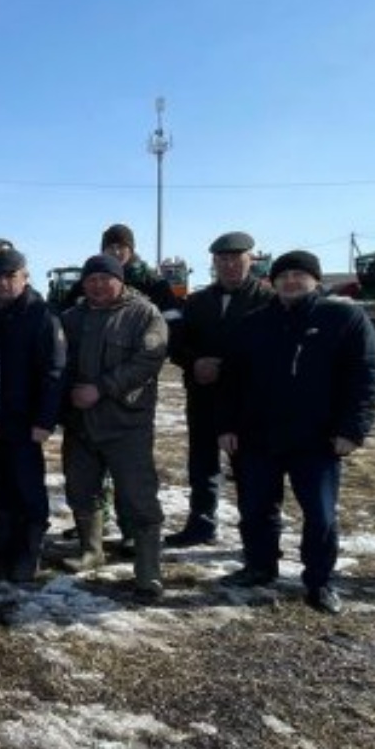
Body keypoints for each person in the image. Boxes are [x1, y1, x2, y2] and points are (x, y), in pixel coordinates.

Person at [217, 250, 375, 615]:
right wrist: (226, 425)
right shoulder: (254, 323)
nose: (291, 281)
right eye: (283, 276)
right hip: (258, 436)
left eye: (299, 275)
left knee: (320, 514)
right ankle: (260, 566)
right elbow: (231, 380)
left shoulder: (343, 318)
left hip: (318, 438)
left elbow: (365, 376)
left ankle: (320, 581)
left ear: (315, 280)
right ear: (272, 282)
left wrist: (352, 429)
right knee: (256, 508)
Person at [59, 254, 169, 602]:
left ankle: (148, 572)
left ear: (120, 281)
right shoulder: (71, 318)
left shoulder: (144, 314)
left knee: (138, 495)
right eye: (91, 280)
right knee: (81, 488)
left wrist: (102, 388)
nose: (97, 285)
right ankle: (91, 550)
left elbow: (149, 360)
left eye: (105, 279)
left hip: (126, 424)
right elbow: (57, 364)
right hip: (81, 424)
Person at [164, 231, 275, 547]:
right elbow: (177, 343)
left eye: (236, 259)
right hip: (203, 395)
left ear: (250, 260)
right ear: (214, 263)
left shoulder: (267, 300)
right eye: (222, 259)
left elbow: (270, 351)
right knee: (202, 464)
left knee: (249, 468)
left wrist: (224, 367)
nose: (229, 265)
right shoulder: (197, 302)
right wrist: (194, 362)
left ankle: (256, 537)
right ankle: (201, 525)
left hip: (247, 401)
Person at [0, 249, 65, 582]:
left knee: (27, 486)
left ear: (25, 277)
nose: (3, 283)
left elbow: (54, 372)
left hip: (26, 420)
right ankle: (2, 543)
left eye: (10, 276)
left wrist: (45, 420)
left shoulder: (41, 314)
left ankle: (29, 551)